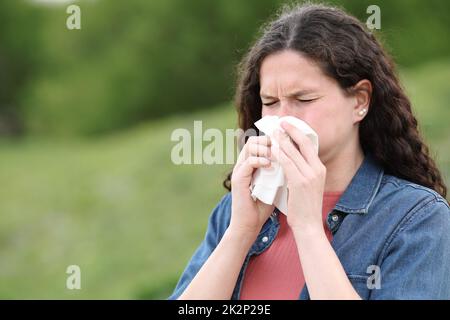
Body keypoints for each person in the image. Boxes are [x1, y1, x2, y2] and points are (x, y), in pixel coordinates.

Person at [168, 3, 450, 300]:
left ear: (359, 101)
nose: (282, 118)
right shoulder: (236, 211)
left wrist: (308, 227)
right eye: (271, 101)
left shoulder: (416, 220)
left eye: (303, 98)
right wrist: (240, 232)